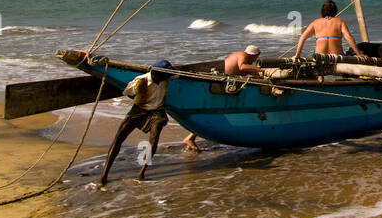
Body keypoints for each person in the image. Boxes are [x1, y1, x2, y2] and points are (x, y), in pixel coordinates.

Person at [100, 59, 174, 187]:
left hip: (157, 111)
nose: (168, 77)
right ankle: (104, 175)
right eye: (166, 75)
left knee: (154, 137)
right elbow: (129, 93)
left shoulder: (165, 77)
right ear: (156, 74)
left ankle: (142, 173)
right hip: (139, 109)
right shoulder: (140, 81)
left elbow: (180, 74)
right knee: (119, 138)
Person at [184, 45, 262, 152]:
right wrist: (260, 70)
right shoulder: (243, 56)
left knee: (213, 111)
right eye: (256, 58)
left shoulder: (240, 55)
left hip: (224, 80)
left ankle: (190, 138)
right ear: (254, 55)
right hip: (222, 84)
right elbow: (242, 67)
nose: (255, 60)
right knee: (216, 110)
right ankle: (190, 138)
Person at [292, 0, 364, 59]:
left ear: (322, 11)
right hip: (337, 54)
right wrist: (358, 54)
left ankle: (320, 76)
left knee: (320, 69)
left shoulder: (315, 22)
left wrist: (297, 55)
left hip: (319, 55)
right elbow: (349, 37)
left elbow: (302, 38)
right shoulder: (339, 21)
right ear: (335, 11)